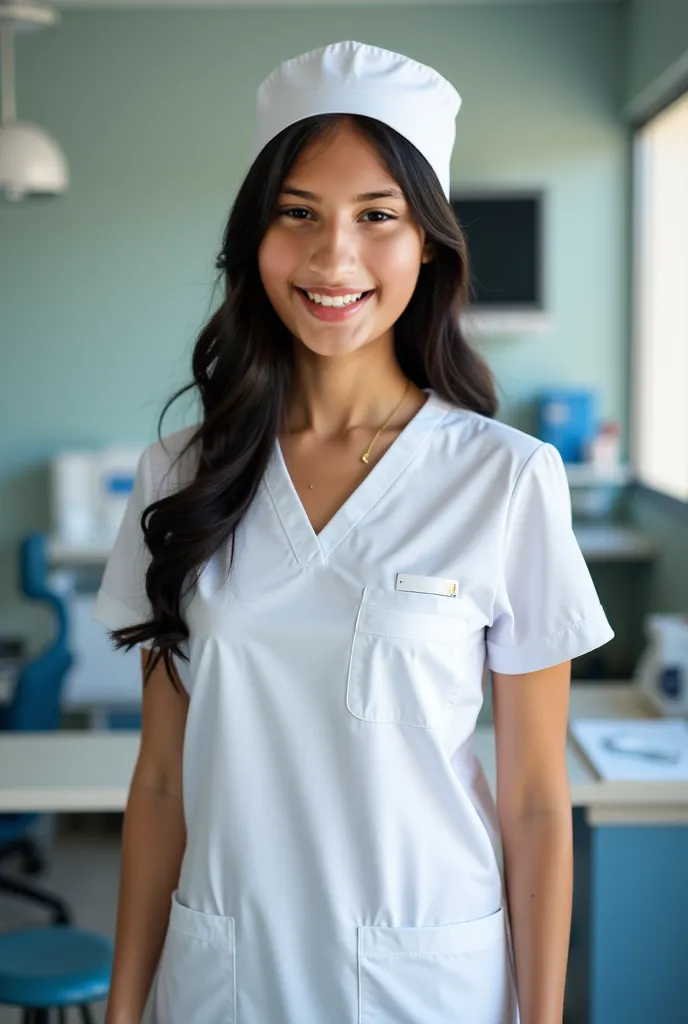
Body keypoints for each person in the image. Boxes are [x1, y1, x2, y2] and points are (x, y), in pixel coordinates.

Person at [92, 40, 614, 1024]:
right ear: (257, 237)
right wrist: (124, 1008)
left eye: (378, 217)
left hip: (428, 979)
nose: (334, 257)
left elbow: (537, 800)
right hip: (224, 978)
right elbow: (160, 782)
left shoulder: (505, 479)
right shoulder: (179, 477)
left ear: (428, 244)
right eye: (299, 215)